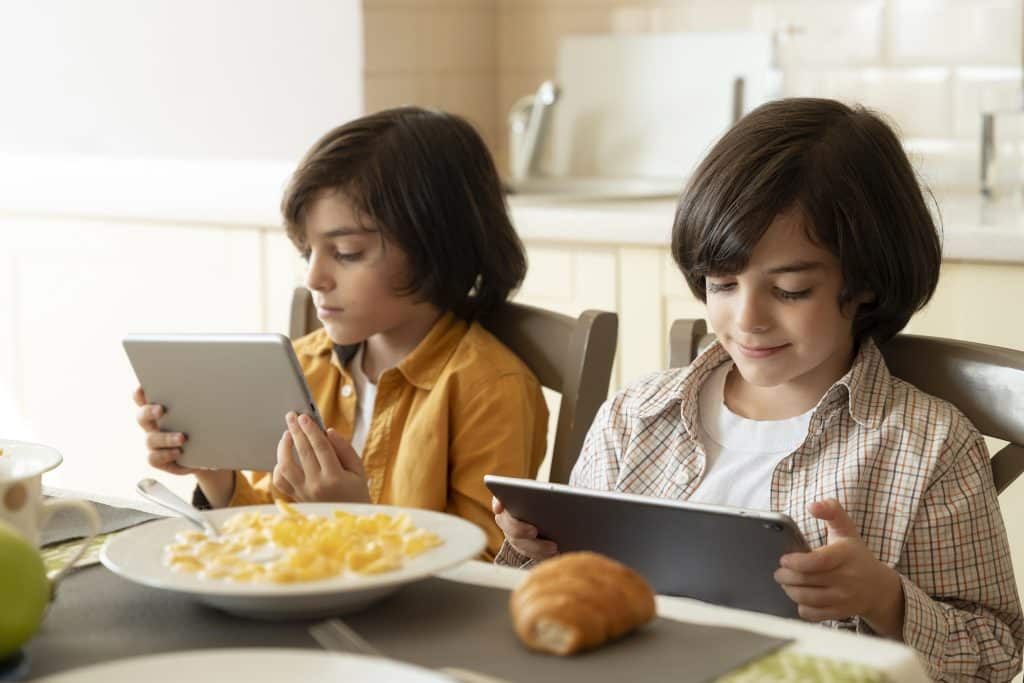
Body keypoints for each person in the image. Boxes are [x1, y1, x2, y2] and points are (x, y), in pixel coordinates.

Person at [492, 98, 1023, 680]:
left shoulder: (928, 446)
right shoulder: (636, 417)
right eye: (721, 283)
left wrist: (885, 599)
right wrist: (532, 547)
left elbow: (994, 656)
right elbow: (555, 606)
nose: (747, 319)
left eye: (790, 290)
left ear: (867, 282)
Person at [135, 107, 549, 558]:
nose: (314, 278)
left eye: (347, 252)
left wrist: (357, 521)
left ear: (437, 248)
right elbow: (269, 527)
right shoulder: (302, 364)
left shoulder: (488, 388)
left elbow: (486, 573)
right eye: (307, 251)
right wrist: (216, 475)